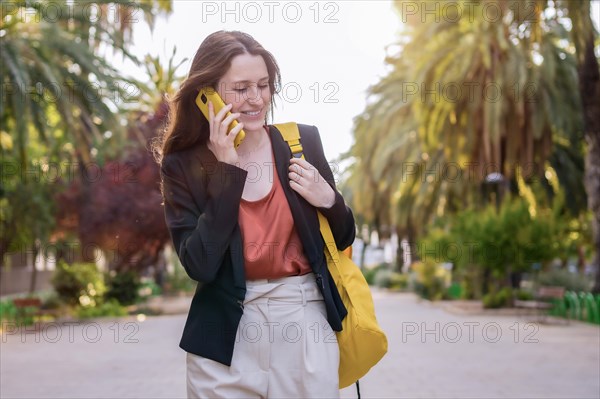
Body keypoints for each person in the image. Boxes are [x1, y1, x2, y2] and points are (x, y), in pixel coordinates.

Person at [155, 30, 356, 398]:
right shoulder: (182, 165)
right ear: (208, 94)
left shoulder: (302, 143)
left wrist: (329, 199)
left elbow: (341, 238)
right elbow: (199, 264)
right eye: (241, 87)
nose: (256, 99)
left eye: (263, 86)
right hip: (224, 337)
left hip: (303, 325)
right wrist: (227, 171)